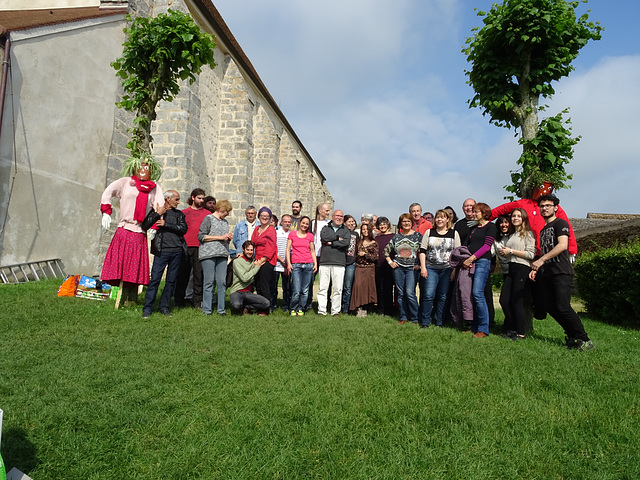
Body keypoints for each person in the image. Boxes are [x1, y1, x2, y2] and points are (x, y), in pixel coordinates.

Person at [529, 194, 593, 350]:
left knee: (563, 306)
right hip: (547, 273)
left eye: (548, 205)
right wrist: (537, 269)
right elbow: (546, 250)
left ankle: (584, 339)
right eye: (542, 206)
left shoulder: (560, 223)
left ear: (555, 207)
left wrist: (541, 260)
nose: (544, 208)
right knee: (549, 306)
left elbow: (563, 245)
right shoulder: (544, 230)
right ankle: (572, 335)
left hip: (561, 272)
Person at [100, 159, 164, 305]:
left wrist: (154, 227)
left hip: (140, 231)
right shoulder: (126, 182)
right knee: (120, 262)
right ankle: (119, 296)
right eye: (140, 167)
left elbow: (159, 207)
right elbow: (108, 192)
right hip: (124, 228)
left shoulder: (154, 188)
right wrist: (106, 211)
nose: (143, 170)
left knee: (134, 265)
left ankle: (131, 299)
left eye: (146, 167)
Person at [141, 190, 187, 318]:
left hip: (177, 251)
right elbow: (146, 224)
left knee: (171, 281)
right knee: (155, 279)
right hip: (161, 251)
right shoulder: (158, 211)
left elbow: (183, 229)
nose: (178, 202)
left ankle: (164, 307)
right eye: (176, 199)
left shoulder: (179, 214)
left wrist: (166, 224)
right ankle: (148, 308)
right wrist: (157, 214)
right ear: (168, 198)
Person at [418, 209, 461, 327]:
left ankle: (439, 321)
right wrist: (423, 267)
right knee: (428, 295)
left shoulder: (454, 233)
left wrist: (454, 270)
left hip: (447, 269)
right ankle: (425, 321)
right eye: (437, 217)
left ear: (447, 220)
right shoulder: (429, 232)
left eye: (442, 217)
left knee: (442, 296)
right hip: (431, 268)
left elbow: (457, 254)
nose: (439, 220)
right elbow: (422, 251)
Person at [498, 208, 536, 340]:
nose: (515, 218)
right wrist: (506, 253)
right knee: (504, 300)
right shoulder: (512, 235)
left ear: (523, 219)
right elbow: (510, 253)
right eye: (513, 216)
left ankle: (520, 333)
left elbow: (530, 254)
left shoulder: (528, 234)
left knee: (517, 301)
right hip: (511, 268)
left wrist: (511, 251)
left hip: (522, 268)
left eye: (518, 216)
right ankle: (512, 328)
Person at [461, 202, 497, 338]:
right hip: (472, 262)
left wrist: (472, 258)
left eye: (476, 212)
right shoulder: (474, 228)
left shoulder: (491, 227)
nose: (473, 214)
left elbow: (487, 246)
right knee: (472, 294)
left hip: (482, 262)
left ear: (484, 213)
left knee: (478, 293)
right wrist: (466, 259)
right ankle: (475, 326)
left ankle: (483, 329)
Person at [174, 188, 209, 308]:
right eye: (199, 198)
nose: (201, 200)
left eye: (203, 198)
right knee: (182, 274)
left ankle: (197, 302)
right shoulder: (184, 212)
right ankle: (179, 301)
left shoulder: (207, 214)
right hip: (185, 247)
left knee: (198, 276)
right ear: (193, 197)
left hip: (201, 247)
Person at [385, 213, 422, 324]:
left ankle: (415, 318)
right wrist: (390, 262)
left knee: (410, 292)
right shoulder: (396, 237)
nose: (406, 223)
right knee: (400, 293)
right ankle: (403, 317)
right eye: (404, 221)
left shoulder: (418, 236)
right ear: (401, 223)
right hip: (398, 268)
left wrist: (419, 264)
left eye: (408, 221)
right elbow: (386, 250)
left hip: (412, 268)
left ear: (412, 223)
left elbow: (424, 251)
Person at [199, 200, 233, 315]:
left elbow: (223, 237)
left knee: (222, 282)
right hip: (208, 254)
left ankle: (221, 309)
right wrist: (220, 237)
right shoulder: (208, 219)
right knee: (209, 282)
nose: (227, 214)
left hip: (222, 254)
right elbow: (201, 236)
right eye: (227, 212)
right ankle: (207, 310)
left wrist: (227, 237)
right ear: (220, 209)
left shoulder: (225, 222)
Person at [317, 210, 350, 316]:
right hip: (325, 262)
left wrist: (331, 243)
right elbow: (324, 237)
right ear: (332, 216)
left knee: (338, 288)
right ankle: (321, 310)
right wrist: (337, 238)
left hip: (339, 263)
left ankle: (335, 311)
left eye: (341, 216)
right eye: (337, 216)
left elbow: (346, 243)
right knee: (322, 288)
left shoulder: (346, 230)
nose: (339, 218)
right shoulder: (326, 228)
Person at [286, 216, 317, 316]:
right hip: (296, 265)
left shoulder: (310, 236)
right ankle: (293, 308)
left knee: (305, 290)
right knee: (296, 290)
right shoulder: (292, 234)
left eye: (307, 224)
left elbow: (312, 250)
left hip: (308, 264)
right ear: (299, 223)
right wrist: (289, 263)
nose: (304, 225)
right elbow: (288, 249)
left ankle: (301, 308)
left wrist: (315, 263)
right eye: (303, 223)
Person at [229, 241, 270, 315]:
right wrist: (257, 267)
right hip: (237, 291)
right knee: (236, 306)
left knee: (266, 303)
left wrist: (259, 263)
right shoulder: (237, 261)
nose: (250, 252)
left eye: (251, 250)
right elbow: (244, 278)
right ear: (243, 249)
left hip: (248, 292)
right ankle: (239, 306)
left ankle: (247, 307)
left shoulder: (254, 262)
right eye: (248, 250)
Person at [350, 222, 379, 317]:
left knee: (367, 289)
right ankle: (358, 307)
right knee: (358, 287)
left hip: (369, 268)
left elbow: (376, 257)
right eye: (363, 229)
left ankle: (365, 308)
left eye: (367, 229)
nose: (365, 231)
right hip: (359, 267)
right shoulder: (359, 242)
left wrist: (365, 255)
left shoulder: (374, 243)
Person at [251, 206, 277, 302]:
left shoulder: (271, 229)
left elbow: (271, 246)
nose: (264, 217)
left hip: (267, 260)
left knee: (264, 284)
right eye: (262, 215)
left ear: (270, 217)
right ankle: (259, 304)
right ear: (259, 216)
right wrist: (245, 254)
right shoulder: (257, 228)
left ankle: (266, 307)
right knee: (257, 284)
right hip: (257, 258)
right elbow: (252, 243)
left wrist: (262, 260)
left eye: (267, 216)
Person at [375, 216, 396, 316]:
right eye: (380, 224)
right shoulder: (376, 238)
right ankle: (380, 309)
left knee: (388, 288)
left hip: (390, 265)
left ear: (388, 225)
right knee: (380, 288)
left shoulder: (394, 236)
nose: (382, 226)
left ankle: (389, 310)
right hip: (378, 266)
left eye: (384, 224)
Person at [272, 214, 292, 313]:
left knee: (287, 287)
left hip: (287, 265)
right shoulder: (276, 233)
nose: (287, 223)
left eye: (289, 222)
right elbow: (274, 248)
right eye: (285, 221)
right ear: (281, 222)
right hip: (276, 264)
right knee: (273, 287)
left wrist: (287, 263)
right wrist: (282, 260)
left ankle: (286, 306)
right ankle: (273, 304)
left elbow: (292, 250)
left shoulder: (292, 234)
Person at [341, 215, 359, 314]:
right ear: (344, 223)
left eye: (353, 221)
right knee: (339, 286)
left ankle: (345, 309)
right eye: (349, 222)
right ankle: (337, 306)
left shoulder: (356, 234)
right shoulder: (341, 232)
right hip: (340, 262)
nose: (352, 223)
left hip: (351, 263)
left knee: (348, 287)